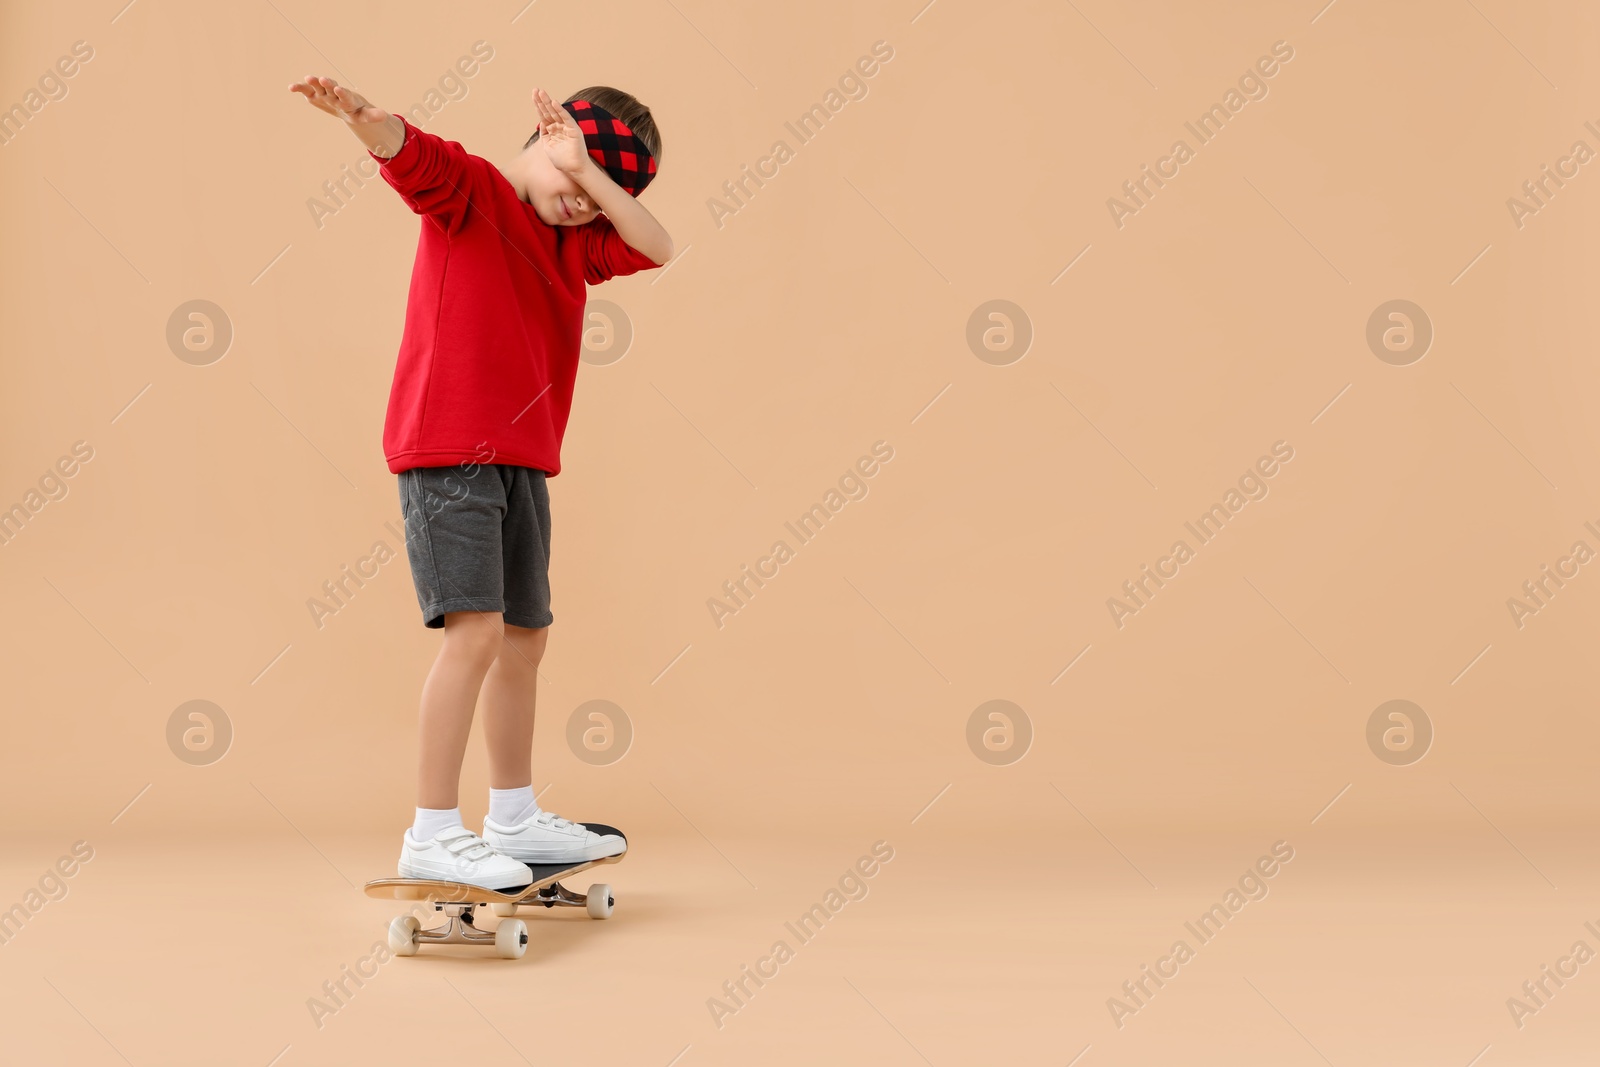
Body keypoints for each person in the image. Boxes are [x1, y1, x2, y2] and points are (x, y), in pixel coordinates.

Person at [289, 74, 673, 888]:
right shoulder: (479, 196)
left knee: (525, 637)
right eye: (570, 178)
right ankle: (431, 830)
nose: (582, 204)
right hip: (447, 450)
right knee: (475, 635)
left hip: (523, 459)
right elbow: (415, 158)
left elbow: (656, 244)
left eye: (598, 192)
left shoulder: (578, 244)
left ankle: (515, 816)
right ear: (540, 136)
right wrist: (367, 121)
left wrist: (593, 176)